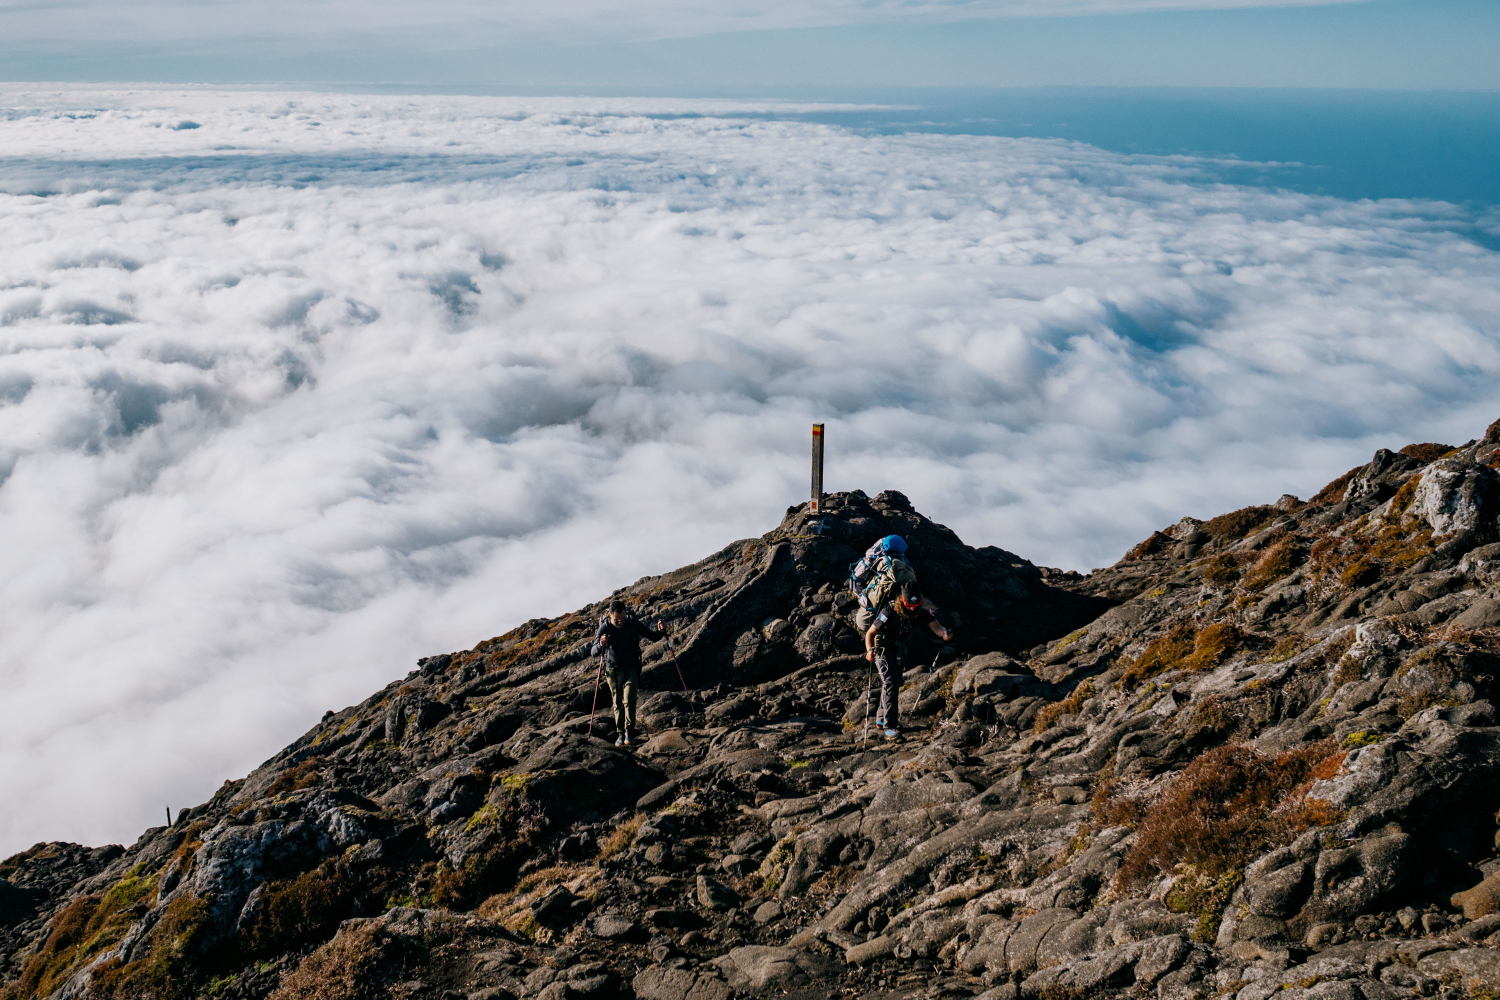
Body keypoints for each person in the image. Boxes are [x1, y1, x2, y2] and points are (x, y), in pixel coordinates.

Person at [863, 582, 952, 740]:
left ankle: (880, 718)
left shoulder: (920, 610)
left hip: (899, 649)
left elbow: (936, 627)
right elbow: (870, 633)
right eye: (908, 605)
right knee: (890, 681)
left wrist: (945, 633)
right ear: (902, 601)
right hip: (882, 648)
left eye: (915, 605)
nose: (912, 608)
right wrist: (869, 650)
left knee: (893, 682)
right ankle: (890, 726)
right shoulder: (889, 610)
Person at [591, 600, 666, 746]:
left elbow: (653, 636)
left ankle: (629, 732)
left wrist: (661, 631)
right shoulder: (605, 628)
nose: (620, 623)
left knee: (629, 699)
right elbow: (593, 652)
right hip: (613, 671)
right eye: (616, 620)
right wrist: (601, 644)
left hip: (632, 668)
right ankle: (620, 734)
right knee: (618, 703)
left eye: (622, 619)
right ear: (610, 616)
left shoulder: (632, 623)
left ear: (626, 614)